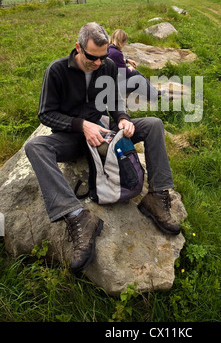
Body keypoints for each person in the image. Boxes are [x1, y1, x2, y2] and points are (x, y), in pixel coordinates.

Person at [25, 22, 181, 275]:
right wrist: (81, 125)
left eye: (103, 57)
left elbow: (115, 100)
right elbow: (46, 114)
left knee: (153, 124)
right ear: (78, 48)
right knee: (35, 147)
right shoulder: (56, 70)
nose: (98, 63)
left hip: (104, 133)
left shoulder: (107, 65)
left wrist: (123, 118)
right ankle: (77, 216)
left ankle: (157, 196)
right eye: (92, 58)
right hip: (72, 137)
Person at [108, 29, 160, 102]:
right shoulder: (116, 53)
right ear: (121, 42)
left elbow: (114, 62)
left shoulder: (109, 49)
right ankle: (156, 97)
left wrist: (126, 60)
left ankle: (153, 91)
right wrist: (129, 69)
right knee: (138, 79)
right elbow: (126, 73)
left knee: (135, 72)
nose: (125, 44)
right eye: (125, 42)